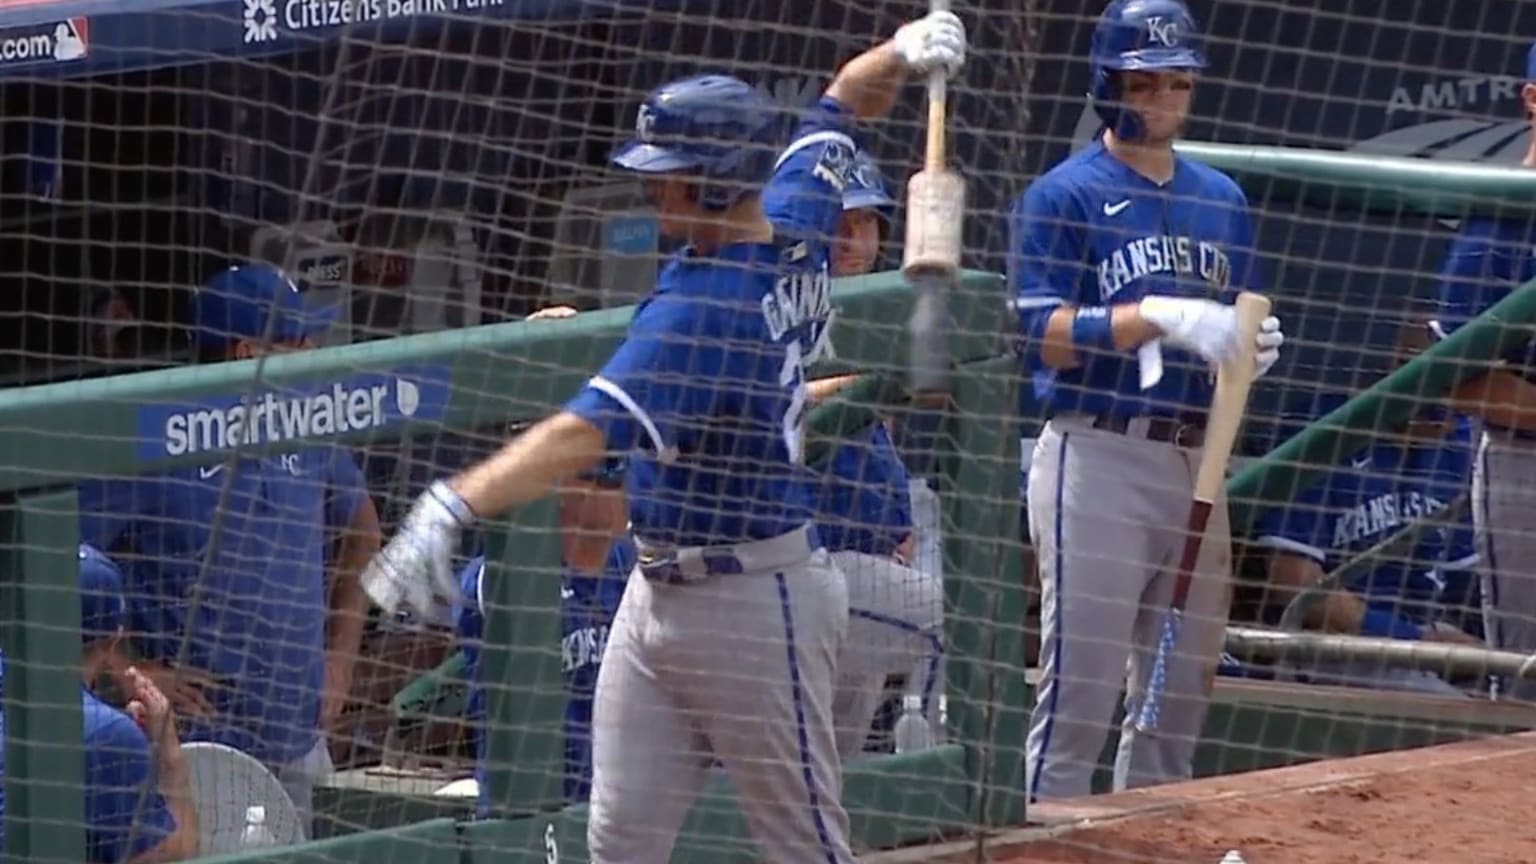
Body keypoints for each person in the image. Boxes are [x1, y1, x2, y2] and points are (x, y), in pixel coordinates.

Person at [358, 14, 967, 862]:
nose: (655, 197)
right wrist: (903, 49)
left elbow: (580, 433)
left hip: (758, 600)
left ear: (718, 183)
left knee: (802, 844)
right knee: (620, 837)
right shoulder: (793, 210)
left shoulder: (703, 311)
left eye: (670, 180)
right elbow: (843, 99)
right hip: (655, 594)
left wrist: (453, 502)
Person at [1009, 0, 1284, 801]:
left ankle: (1152, 844)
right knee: (1082, 691)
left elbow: (1233, 314)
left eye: (1177, 83)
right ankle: (1044, 849)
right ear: (1109, 84)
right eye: (1145, 82)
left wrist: (1249, 349)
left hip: (1195, 458)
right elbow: (1039, 332)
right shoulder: (1063, 196)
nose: (1162, 100)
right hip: (1097, 453)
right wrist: (1152, 317)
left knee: (1177, 695)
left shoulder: (1221, 199)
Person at [76, 262, 382, 820]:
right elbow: (56, 566)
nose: (315, 349)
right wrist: (132, 674)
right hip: (195, 752)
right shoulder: (153, 437)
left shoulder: (305, 421)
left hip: (298, 737)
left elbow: (363, 529)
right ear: (247, 353)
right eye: (299, 340)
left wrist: (339, 659)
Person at [810, 158, 946, 758]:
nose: (851, 241)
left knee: (829, 759)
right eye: (836, 223)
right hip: (799, 565)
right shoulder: (780, 302)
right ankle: (945, 789)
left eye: (864, 223)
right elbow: (776, 404)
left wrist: (896, 520)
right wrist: (869, 377)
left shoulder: (871, 310)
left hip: (863, 562)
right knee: (954, 626)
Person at [1250, 388, 1480, 696]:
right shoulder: (1324, 431)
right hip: (1335, 649)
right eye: (1437, 410)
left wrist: (1484, 650)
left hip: (1430, 645)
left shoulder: (1459, 440)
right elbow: (1295, 583)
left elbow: (1468, 583)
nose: (1446, 423)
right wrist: (1415, 640)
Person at [1431, 40, 1536, 702]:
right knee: (1529, 674)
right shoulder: (1498, 222)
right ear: (1532, 99)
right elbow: (1463, 380)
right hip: (1525, 467)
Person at [0, 545, 200, 863]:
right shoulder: (106, 735)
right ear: (113, 640)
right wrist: (169, 757)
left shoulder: (100, 731)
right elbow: (174, 855)